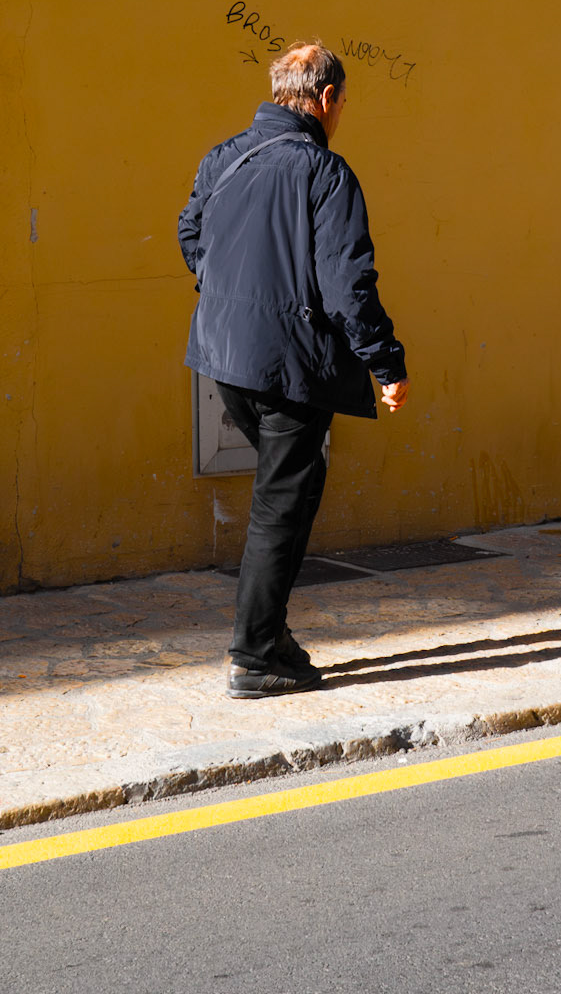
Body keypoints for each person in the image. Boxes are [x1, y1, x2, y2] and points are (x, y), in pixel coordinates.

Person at [178, 40, 409, 698]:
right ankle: (255, 653)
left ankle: (269, 637)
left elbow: (190, 232)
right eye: (343, 105)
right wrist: (385, 364)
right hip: (285, 364)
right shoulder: (323, 173)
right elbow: (347, 285)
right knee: (281, 504)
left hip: (224, 358)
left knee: (289, 491)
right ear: (327, 99)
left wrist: (228, 298)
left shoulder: (225, 156)